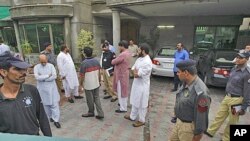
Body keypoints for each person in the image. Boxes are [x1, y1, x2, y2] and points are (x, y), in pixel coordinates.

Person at [0, 52, 52, 136]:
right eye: (17, 69)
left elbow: (43, 118)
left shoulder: (32, 90)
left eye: (24, 69)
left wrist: (49, 138)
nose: (24, 73)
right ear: (3, 72)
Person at [204, 52, 250, 141]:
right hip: (227, 97)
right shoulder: (234, 68)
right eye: (237, 57)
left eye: (241, 58)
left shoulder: (247, 73)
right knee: (219, 115)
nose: (238, 59)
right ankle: (211, 131)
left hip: (236, 100)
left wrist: (244, 107)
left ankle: (226, 138)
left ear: (247, 59)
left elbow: (248, 91)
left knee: (232, 121)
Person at [169, 59, 211, 141]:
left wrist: (197, 136)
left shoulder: (201, 93)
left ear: (186, 73)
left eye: (179, 72)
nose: (177, 74)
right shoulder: (186, 82)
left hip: (188, 129)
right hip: (179, 123)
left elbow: (201, 119)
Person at [124, 43, 153, 127]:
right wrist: (135, 71)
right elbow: (133, 68)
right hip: (136, 84)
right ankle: (132, 116)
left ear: (143, 51)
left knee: (142, 103)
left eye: (139, 50)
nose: (138, 51)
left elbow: (136, 74)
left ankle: (141, 120)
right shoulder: (139, 59)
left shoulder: (147, 62)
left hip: (143, 86)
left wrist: (135, 72)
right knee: (135, 100)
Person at [34, 54, 61, 128]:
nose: (43, 63)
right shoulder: (36, 67)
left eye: (44, 62)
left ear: (47, 60)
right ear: (39, 61)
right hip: (42, 89)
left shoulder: (51, 66)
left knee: (54, 104)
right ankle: (50, 117)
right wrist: (47, 76)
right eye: (42, 62)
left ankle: (56, 120)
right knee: (45, 105)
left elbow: (54, 76)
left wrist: (42, 78)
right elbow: (37, 77)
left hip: (52, 88)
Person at [79, 47, 104, 119]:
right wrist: (99, 81)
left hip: (88, 84)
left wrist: (81, 84)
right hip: (96, 83)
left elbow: (82, 76)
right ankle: (101, 113)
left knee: (90, 99)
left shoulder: (84, 63)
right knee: (97, 98)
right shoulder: (96, 61)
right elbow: (99, 72)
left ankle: (91, 112)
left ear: (85, 54)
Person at [112, 40, 130, 113]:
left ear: (122, 46)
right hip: (124, 73)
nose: (118, 47)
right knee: (124, 90)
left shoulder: (123, 54)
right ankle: (122, 105)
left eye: (119, 46)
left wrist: (114, 58)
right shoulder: (128, 52)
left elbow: (113, 62)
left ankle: (123, 108)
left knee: (121, 91)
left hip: (121, 75)